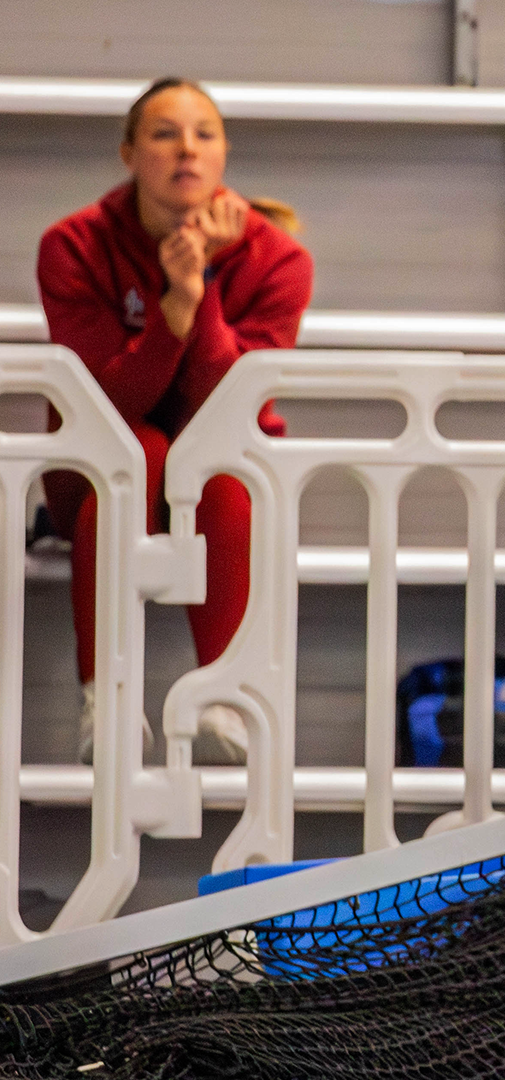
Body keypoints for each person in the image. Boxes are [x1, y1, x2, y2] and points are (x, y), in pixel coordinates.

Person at [37, 78, 312, 764]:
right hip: (96, 466)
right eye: (164, 134)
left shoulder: (279, 259)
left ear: (224, 156)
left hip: (224, 468)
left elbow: (225, 405)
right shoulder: (72, 244)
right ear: (129, 153)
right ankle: (108, 700)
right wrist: (173, 314)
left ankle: (227, 695)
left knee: (211, 467)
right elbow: (106, 406)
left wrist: (205, 286)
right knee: (141, 449)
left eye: (204, 134)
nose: (186, 149)